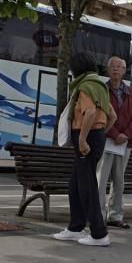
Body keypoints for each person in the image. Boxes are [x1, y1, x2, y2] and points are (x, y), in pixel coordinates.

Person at [52, 53, 116, 246]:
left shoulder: (85, 86)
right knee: (75, 184)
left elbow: (89, 112)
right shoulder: (100, 86)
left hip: (86, 137)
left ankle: (99, 234)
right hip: (95, 136)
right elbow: (112, 116)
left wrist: (82, 139)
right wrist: (100, 133)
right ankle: (75, 227)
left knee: (87, 186)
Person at [97, 56, 132, 230]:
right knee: (100, 179)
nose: (116, 69)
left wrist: (125, 135)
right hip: (105, 141)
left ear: (124, 71)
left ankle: (115, 215)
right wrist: (115, 133)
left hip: (125, 144)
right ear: (108, 70)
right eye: (113, 66)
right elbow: (100, 115)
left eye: (120, 67)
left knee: (119, 180)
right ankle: (98, 215)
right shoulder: (102, 90)